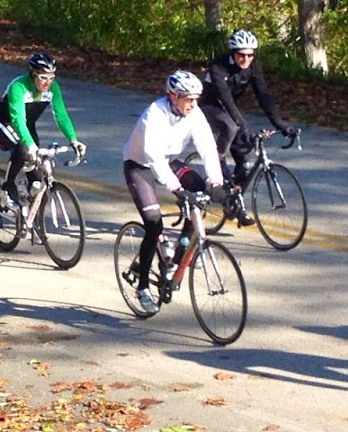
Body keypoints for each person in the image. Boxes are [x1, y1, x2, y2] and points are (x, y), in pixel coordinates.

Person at [120, 71, 225, 306]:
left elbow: (208, 147)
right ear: (173, 96)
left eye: (196, 99)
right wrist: (177, 190)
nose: (194, 104)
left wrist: (216, 182)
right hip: (140, 165)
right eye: (189, 99)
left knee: (199, 190)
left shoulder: (194, 114)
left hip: (170, 162)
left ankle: (177, 257)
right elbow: (154, 158)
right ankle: (143, 287)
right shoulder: (154, 115)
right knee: (153, 223)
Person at [201, 31, 296, 223]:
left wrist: (279, 123)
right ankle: (217, 157)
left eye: (250, 55)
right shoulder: (219, 66)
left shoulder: (253, 66)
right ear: (233, 53)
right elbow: (226, 100)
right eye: (241, 55)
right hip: (209, 105)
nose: (246, 59)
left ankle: (234, 204)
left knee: (243, 164)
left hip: (229, 107)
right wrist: (242, 124)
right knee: (231, 127)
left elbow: (263, 95)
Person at [0, 51, 84, 206]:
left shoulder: (53, 89)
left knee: (37, 176)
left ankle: (28, 213)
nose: (48, 83)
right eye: (43, 77)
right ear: (33, 75)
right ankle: (8, 186)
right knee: (22, 149)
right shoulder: (18, 87)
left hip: (27, 124)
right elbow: (18, 120)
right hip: (4, 121)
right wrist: (30, 145)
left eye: (51, 78)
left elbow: (61, 116)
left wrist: (73, 140)